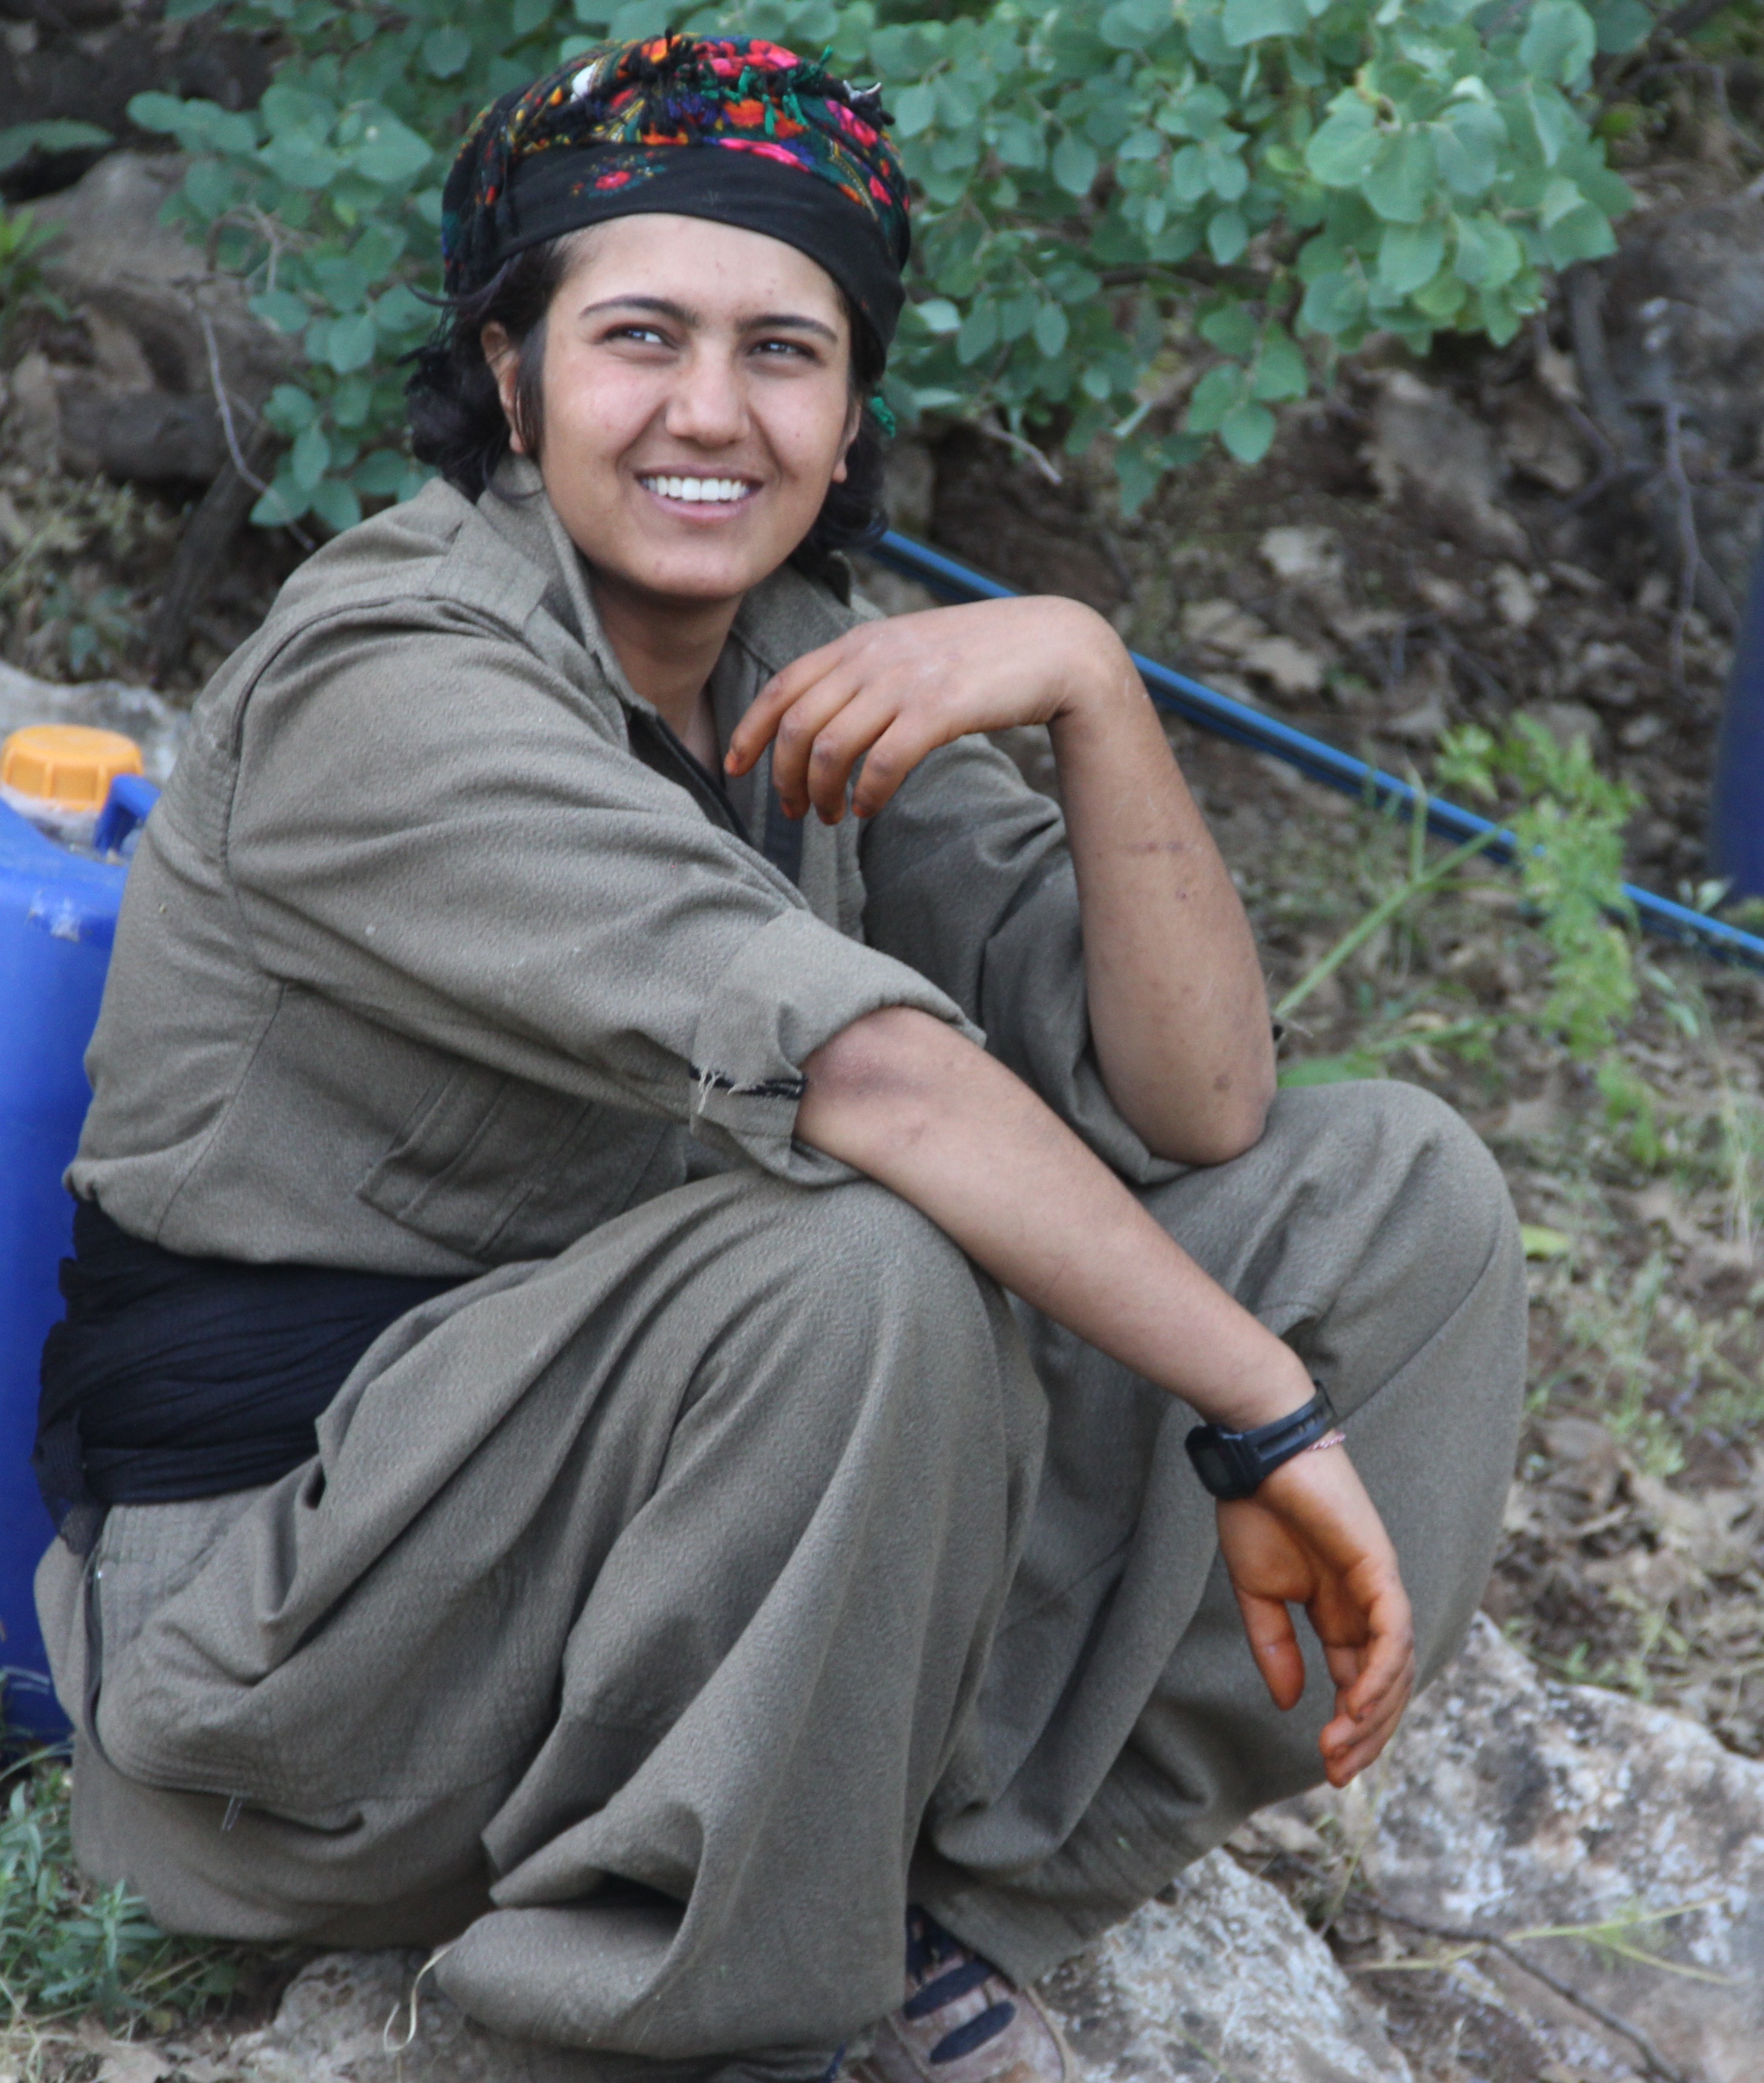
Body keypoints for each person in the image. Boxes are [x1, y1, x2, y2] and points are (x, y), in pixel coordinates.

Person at [33, 34, 1525, 2083]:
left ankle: (931, 1905)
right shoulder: (387, 684)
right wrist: (1261, 1414)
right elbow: (881, 1085)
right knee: (856, 1257)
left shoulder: (794, 665)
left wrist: (1093, 686)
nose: (711, 412)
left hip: (666, 1563)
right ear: (511, 373)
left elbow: (1201, 1108)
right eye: (640, 336)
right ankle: (659, 2020)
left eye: (785, 351)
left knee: (1396, 1195)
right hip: (306, 1672)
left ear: (850, 414)